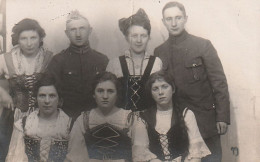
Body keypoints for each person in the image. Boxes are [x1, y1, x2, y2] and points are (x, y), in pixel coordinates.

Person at [154, 2, 230, 162]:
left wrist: (222, 116)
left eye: (178, 18)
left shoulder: (203, 45)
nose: (173, 23)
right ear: (163, 22)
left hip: (205, 122)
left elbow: (219, 82)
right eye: (169, 19)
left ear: (185, 19)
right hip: (177, 125)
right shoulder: (159, 51)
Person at [0, 18, 52, 161]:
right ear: (17, 39)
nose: (29, 43)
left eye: (33, 38)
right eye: (24, 38)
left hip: (44, 116)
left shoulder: (49, 58)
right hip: (12, 117)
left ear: (40, 38)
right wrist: (2, 93)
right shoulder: (7, 59)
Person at [132, 71, 211, 162]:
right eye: (155, 89)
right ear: (151, 93)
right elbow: (140, 152)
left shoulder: (186, 114)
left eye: (165, 87)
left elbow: (195, 153)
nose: (160, 92)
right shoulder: (143, 118)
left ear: (173, 89)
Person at [46, 10, 108, 119]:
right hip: (67, 119)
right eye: (73, 30)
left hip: (96, 118)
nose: (78, 34)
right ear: (66, 33)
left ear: (90, 31)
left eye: (82, 29)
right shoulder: (58, 61)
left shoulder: (102, 60)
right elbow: (50, 94)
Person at [66, 72, 134, 162]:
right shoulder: (83, 120)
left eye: (110, 91)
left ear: (117, 94)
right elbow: (74, 156)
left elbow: (140, 153)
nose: (105, 96)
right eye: (100, 91)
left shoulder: (130, 118)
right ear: (93, 94)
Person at [5, 76, 74, 162]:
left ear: (59, 100)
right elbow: (14, 159)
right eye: (42, 96)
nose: (47, 101)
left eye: (52, 96)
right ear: (36, 99)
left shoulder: (71, 126)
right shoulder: (23, 125)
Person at [106, 9, 162, 112]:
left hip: (150, 121)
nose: (139, 40)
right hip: (121, 123)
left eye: (143, 36)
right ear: (127, 37)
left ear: (149, 37)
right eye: (134, 36)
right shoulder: (114, 63)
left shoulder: (157, 62)